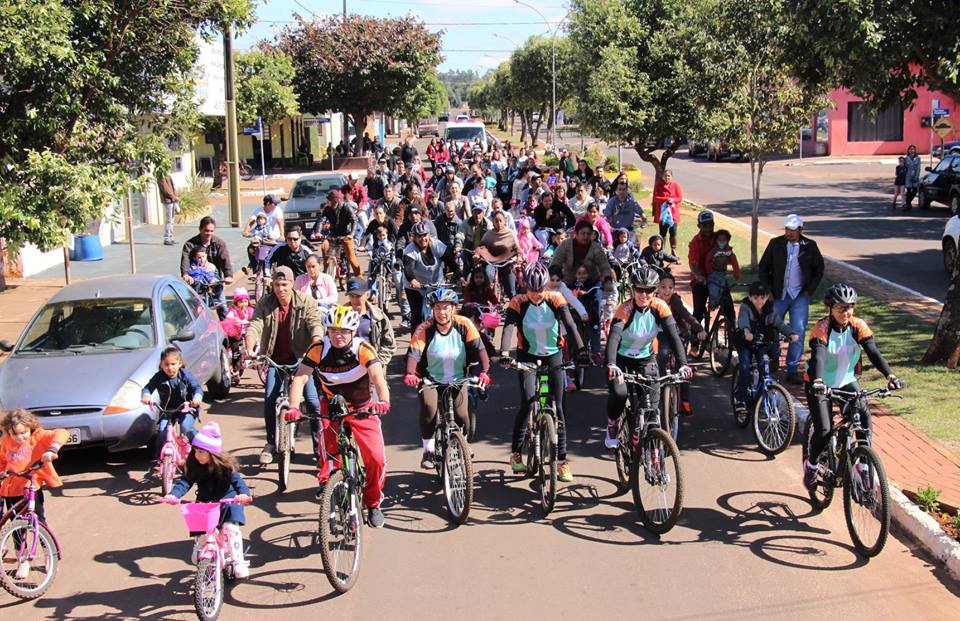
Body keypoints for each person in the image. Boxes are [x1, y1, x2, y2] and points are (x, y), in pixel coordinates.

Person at [287, 306, 391, 528]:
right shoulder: (318, 349)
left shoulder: (363, 349)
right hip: (332, 407)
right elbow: (300, 378)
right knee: (328, 451)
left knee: (376, 458)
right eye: (333, 330)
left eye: (343, 331)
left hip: (362, 407)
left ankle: (373, 502)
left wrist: (383, 401)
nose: (338, 335)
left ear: (353, 332)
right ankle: (329, 486)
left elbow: (377, 377)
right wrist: (294, 406)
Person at [802, 284, 902, 491]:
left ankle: (864, 465)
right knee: (825, 429)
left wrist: (890, 375)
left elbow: (873, 352)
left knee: (863, 415)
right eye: (841, 308)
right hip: (818, 382)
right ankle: (811, 465)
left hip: (846, 379)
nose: (845, 312)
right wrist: (818, 382)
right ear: (830, 308)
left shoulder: (858, 326)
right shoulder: (821, 329)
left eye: (849, 307)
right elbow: (819, 356)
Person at [499, 263, 589, 481]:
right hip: (527, 356)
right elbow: (509, 327)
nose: (537, 294)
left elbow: (570, 323)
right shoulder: (518, 302)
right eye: (532, 289)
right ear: (524, 286)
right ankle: (517, 453)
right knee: (529, 402)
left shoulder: (555, 299)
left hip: (553, 354)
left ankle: (561, 461)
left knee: (558, 408)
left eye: (540, 289)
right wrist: (504, 352)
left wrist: (582, 351)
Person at [604, 265, 692, 449]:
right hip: (621, 360)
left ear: (655, 290)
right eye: (640, 290)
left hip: (646, 358)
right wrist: (612, 364)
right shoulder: (624, 310)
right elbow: (613, 338)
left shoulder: (659, 307)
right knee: (620, 394)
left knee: (652, 407)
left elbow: (673, 336)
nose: (644, 295)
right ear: (632, 289)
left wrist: (684, 364)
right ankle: (612, 424)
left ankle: (652, 451)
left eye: (649, 290)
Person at [244, 266, 324, 464]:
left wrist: (315, 344)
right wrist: (250, 345)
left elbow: (315, 324)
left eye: (284, 285)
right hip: (275, 360)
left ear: (292, 284)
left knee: (313, 403)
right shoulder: (265, 303)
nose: (281, 289)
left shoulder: (306, 302)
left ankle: (319, 446)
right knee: (270, 398)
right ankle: (271, 442)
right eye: (277, 285)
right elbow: (255, 325)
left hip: (302, 360)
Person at [404, 288, 492, 467]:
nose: (441, 313)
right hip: (431, 379)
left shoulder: (464, 324)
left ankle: (464, 443)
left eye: (446, 308)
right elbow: (414, 353)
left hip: (458, 378)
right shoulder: (425, 328)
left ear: (454, 309)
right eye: (437, 308)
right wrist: (411, 373)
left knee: (462, 416)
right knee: (429, 408)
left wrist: (485, 371)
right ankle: (428, 451)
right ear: (432, 310)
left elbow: (480, 348)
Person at [162, 422, 252, 578]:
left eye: (202, 452)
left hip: (228, 502)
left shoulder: (226, 467)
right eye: (195, 451)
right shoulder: (195, 465)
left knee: (231, 529)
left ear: (213, 453)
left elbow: (239, 482)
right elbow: (185, 482)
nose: (198, 456)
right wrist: (174, 495)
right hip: (206, 503)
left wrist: (243, 494)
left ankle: (238, 561)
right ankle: (201, 546)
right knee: (203, 530)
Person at [0, 409, 68, 580]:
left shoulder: (38, 435)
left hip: (31, 486)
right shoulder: (6, 441)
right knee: (15, 526)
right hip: (10, 488)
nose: (20, 437)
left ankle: (48, 555)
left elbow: (61, 433)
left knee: (39, 521)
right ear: (8, 431)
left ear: (30, 428)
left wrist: (53, 449)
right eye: (15, 434)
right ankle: (22, 560)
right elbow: (2, 460)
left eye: (23, 433)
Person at [758, 213, 824, 384]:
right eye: (787, 229)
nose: (789, 233)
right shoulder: (776, 244)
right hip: (778, 294)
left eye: (793, 230)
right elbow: (763, 267)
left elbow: (819, 269)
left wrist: (810, 290)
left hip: (800, 296)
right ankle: (773, 355)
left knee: (798, 331)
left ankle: (792, 368)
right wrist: (768, 290)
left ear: (800, 230)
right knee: (771, 326)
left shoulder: (810, 246)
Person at [732, 281, 799, 415]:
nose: (759, 301)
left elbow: (779, 323)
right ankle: (740, 400)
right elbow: (743, 320)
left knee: (764, 369)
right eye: (756, 297)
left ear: (767, 297)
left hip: (761, 344)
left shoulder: (770, 309)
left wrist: (791, 334)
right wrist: (746, 332)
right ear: (750, 297)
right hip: (745, 343)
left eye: (762, 297)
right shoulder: (746, 307)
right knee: (745, 367)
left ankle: (762, 398)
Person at [140, 345, 202, 462]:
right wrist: (146, 395)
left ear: (179, 363)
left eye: (173, 364)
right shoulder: (159, 377)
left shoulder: (185, 375)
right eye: (166, 365)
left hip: (186, 407)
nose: (170, 368)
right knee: (162, 432)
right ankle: (161, 460)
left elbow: (196, 388)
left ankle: (202, 448)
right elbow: (148, 388)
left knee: (186, 427)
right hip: (168, 410)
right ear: (161, 365)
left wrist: (197, 397)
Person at [656, 273, 704, 415]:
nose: (666, 290)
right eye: (663, 287)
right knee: (662, 355)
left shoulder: (675, 301)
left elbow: (687, 316)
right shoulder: (653, 301)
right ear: (657, 288)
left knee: (682, 367)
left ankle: (684, 400)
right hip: (662, 336)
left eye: (670, 287)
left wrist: (699, 329)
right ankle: (661, 387)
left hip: (679, 335)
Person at [402, 221, 463, 328]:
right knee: (416, 316)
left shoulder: (437, 245)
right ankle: (415, 343)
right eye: (419, 236)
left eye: (425, 235)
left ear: (429, 234)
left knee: (442, 312)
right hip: (416, 287)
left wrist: (460, 276)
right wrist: (413, 280)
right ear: (414, 237)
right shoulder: (410, 250)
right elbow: (408, 269)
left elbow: (451, 262)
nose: (422, 239)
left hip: (436, 285)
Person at [345, 277, 396, 367]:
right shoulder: (340, 315)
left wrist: (378, 362)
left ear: (367, 295)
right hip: (347, 368)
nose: (354, 300)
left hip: (371, 366)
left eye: (358, 296)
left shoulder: (378, 316)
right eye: (351, 296)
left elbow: (390, 343)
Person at [550, 219, 614, 286]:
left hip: (592, 284)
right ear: (576, 233)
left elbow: (604, 266)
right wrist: (553, 278)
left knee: (599, 295)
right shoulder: (565, 245)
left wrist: (607, 281)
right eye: (583, 233)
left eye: (588, 234)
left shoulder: (596, 247)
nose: (585, 236)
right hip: (568, 283)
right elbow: (556, 262)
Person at [474, 211, 520, 299]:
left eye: (500, 221)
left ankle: (513, 308)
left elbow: (517, 248)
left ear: (504, 221)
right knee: (487, 276)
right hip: (491, 261)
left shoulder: (510, 233)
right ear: (493, 222)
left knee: (511, 290)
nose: (498, 223)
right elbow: (481, 247)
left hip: (506, 262)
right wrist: (477, 254)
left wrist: (519, 256)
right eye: (496, 221)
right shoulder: (489, 234)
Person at [314, 190, 361, 277]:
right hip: (333, 235)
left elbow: (354, 220)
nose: (328, 201)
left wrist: (351, 234)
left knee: (351, 258)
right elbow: (321, 220)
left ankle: (359, 277)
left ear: (335, 200)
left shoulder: (346, 207)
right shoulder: (327, 209)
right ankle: (326, 274)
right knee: (325, 250)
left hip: (345, 235)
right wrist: (318, 232)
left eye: (329, 199)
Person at [180, 216, 234, 288]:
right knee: (192, 297)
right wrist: (185, 274)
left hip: (213, 276)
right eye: (206, 230)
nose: (209, 233)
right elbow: (185, 260)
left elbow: (225, 260)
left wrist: (228, 275)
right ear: (200, 229)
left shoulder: (219, 243)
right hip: (195, 277)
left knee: (219, 297)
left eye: (211, 231)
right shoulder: (190, 244)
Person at [687, 210, 717, 325]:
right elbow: (693, 263)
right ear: (699, 226)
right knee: (698, 311)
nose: (708, 228)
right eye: (705, 226)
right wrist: (699, 276)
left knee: (728, 305)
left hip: (716, 279)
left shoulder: (718, 239)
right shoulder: (695, 242)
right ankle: (694, 340)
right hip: (700, 280)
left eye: (711, 225)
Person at [705, 229, 741, 308]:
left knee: (722, 290)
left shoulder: (728, 251)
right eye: (719, 240)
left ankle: (721, 304)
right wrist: (710, 272)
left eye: (724, 240)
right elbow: (708, 260)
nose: (721, 242)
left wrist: (737, 273)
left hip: (723, 274)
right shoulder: (714, 250)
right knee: (713, 289)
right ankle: (713, 303)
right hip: (713, 274)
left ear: (728, 241)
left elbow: (734, 261)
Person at [222, 287, 254, 372]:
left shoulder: (249, 310)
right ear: (236, 302)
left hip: (246, 332)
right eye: (241, 302)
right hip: (236, 334)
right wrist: (236, 320)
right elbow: (229, 318)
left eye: (245, 302)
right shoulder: (233, 311)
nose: (243, 304)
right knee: (236, 351)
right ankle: (235, 369)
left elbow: (254, 317)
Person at [652, 170, 682, 255]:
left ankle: (673, 250)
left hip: (673, 213)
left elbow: (679, 198)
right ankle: (662, 251)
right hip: (663, 213)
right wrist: (666, 199)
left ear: (671, 177)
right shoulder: (658, 185)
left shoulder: (676, 186)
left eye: (668, 176)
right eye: (665, 176)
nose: (667, 177)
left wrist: (673, 200)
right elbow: (656, 197)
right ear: (662, 177)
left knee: (673, 232)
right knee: (662, 233)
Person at [157, 173, 180, 246]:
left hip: (172, 200)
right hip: (168, 201)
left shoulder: (168, 176)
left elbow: (173, 187)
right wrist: (173, 196)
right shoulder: (161, 177)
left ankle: (171, 237)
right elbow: (166, 190)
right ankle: (167, 238)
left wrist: (176, 196)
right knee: (169, 220)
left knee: (171, 220)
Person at [902, 144, 922, 211]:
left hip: (915, 175)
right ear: (908, 150)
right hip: (908, 176)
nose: (912, 150)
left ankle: (908, 203)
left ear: (915, 150)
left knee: (914, 191)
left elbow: (918, 168)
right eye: (910, 149)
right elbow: (904, 167)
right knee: (908, 191)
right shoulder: (906, 158)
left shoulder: (918, 158)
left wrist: (916, 176)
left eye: (913, 149)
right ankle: (908, 205)